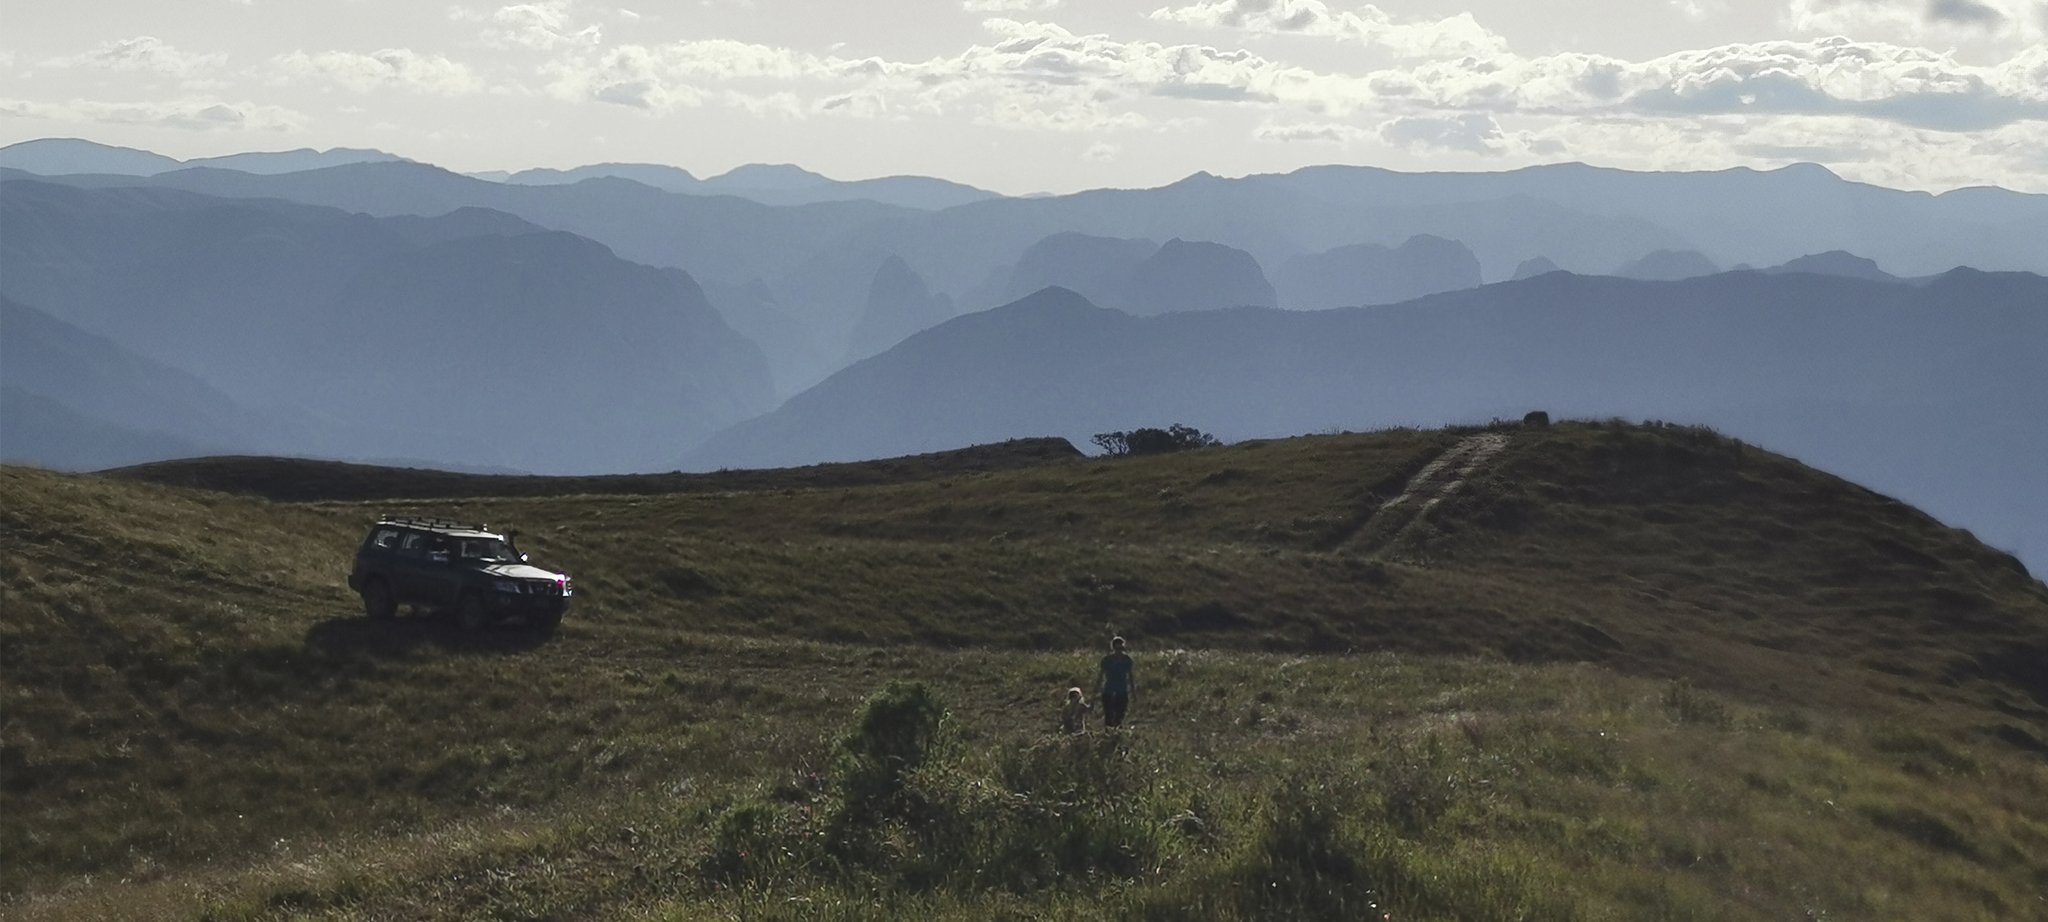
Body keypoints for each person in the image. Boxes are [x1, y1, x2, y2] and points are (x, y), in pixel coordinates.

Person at [1095, 636, 1135, 728]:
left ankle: (1117, 735)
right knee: (1109, 717)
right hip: (1109, 690)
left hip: (1122, 691)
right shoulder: (1107, 660)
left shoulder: (1127, 660)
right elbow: (1101, 677)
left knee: (1119, 716)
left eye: (1121, 648)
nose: (1119, 651)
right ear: (1113, 648)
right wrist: (1095, 692)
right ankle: (1109, 735)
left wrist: (1133, 693)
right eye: (1117, 648)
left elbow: (1130, 677)